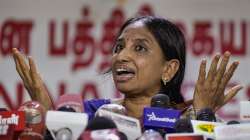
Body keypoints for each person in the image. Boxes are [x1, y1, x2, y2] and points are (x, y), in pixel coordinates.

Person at [12, 16, 242, 120]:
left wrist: (202, 114)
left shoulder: (184, 118)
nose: (121, 56)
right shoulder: (91, 113)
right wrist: (46, 117)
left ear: (169, 69)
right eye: (118, 47)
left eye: (140, 48)